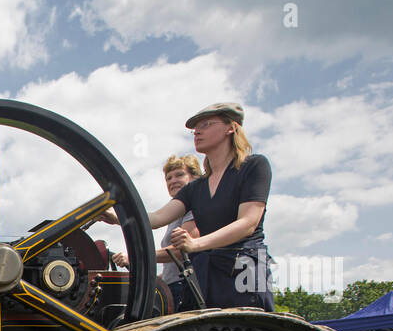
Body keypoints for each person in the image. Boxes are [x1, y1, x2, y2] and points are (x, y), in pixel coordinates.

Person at [104, 102, 273, 310]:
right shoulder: (196, 187)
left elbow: (248, 223)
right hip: (207, 273)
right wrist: (117, 216)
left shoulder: (254, 166)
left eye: (206, 124)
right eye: (195, 129)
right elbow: (156, 218)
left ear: (232, 127)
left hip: (245, 268)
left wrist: (196, 245)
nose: (197, 132)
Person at [113, 155, 202, 307]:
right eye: (168, 178)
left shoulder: (194, 206)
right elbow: (170, 269)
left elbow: (182, 251)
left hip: (186, 287)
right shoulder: (175, 215)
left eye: (179, 175)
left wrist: (136, 257)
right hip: (173, 286)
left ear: (195, 177)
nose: (172, 181)